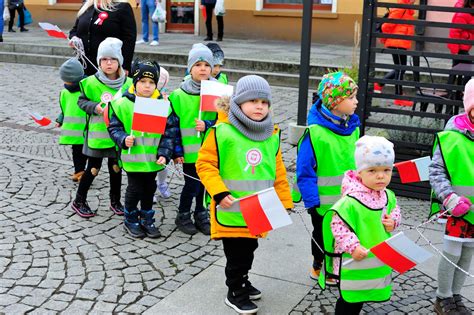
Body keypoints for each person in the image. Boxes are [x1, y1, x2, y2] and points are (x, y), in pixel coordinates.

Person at [196, 75, 293, 314]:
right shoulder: (222, 132)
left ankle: (243, 280)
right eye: (252, 101)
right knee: (236, 255)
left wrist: (284, 201)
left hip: (258, 210)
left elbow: (278, 170)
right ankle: (235, 291)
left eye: (264, 102)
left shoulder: (271, 134)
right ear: (238, 104)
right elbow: (205, 165)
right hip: (231, 208)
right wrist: (219, 192)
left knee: (249, 250)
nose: (259, 106)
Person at [318, 136, 400, 315]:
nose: (381, 176)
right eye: (372, 170)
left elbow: (395, 210)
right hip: (353, 259)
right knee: (350, 299)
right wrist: (353, 246)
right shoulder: (350, 201)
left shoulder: (388, 195)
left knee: (362, 294)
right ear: (359, 173)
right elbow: (339, 226)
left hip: (375, 259)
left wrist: (393, 221)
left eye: (387, 170)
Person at [295, 72, 360, 284]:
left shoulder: (353, 129)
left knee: (344, 235)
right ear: (335, 102)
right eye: (351, 98)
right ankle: (319, 263)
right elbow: (304, 171)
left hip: (349, 200)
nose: (356, 102)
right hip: (323, 202)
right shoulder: (315, 133)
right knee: (323, 236)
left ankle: (338, 267)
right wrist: (312, 202)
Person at [108, 60, 182, 238]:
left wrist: (165, 153)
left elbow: (169, 133)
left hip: (153, 159)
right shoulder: (123, 104)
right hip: (133, 158)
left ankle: (147, 217)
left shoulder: (163, 105)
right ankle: (130, 217)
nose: (147, 86)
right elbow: (113, 128)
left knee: (150, 188)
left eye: (151, 83)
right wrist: (123, 138)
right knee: (134, 189)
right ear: (135, 82)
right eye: (142, 82)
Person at [71, 37, 133, 218]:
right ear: (99, 62)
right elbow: (81, 102)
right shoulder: (90, 82)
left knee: (116, 168)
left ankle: (115, 201)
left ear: (119, 62)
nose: (109, 63)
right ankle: (79, 200)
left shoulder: (128, 84)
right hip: (98, 137)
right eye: (104, 59)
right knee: (93, 169)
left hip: (118, 137)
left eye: (113, 59)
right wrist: (95, 107)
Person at [429, 78, 474, 315]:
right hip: (456, 208)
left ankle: (456, 296)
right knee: (451, 254)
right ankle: (442, 297)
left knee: (467, 253)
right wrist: (450, 198)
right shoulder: (452, 136)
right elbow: (436, 171)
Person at [168, 43, 216, 235]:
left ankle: (200, 213)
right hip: (189, 152)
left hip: (210, 150)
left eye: (206, 64)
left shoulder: (216, 92)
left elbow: (223, 121)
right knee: (192, 185)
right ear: (190, 69)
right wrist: (176, 151)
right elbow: (172, 126)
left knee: (205, 185)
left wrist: (207, 124)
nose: (202, 68)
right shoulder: (179, 95)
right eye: (198, 64)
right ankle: (183, 214)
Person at [69, 0, 136, 76]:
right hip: (85, 66)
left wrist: (125, 66)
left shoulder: (122, 7)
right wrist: (74, 38)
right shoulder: (86, 6)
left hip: (110, 68)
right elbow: (74, 30)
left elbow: (129, 38)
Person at [374, 0, 415, 107]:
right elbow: (386, 25)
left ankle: (379, 84)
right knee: (401, 69)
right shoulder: (400, 8)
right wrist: (386, 37)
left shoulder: (406, 8)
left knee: (400, 68)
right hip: (397, 42)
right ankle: (398, 97)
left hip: (400, 42)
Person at [56, 58, 88, 183]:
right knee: (77, 152)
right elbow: (64, 109)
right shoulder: (64, 93)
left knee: (85, 152)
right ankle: (79, 171)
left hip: (86, 129)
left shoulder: (86, 89)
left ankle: (85, 171)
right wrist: (60, 119)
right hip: (74, 131)